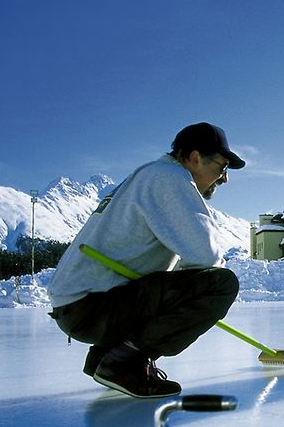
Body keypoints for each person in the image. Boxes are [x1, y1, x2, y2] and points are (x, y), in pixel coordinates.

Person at [48, 122, 244, 398]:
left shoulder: (151, 174)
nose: (224, 178)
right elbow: (207, 257)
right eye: (222, 167)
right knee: (220, 285)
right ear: (195, 157)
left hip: (82, 306)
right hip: (93, 308)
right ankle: (123, 363)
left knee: (191, 283)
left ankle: (106, 356)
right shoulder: (170, 179)